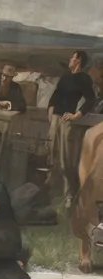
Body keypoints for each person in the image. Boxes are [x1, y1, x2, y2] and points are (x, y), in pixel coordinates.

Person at [48, 50, 96, 204]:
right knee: (52, 154)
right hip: (55, 118)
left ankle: (69, 193)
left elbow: (91, 99)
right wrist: (50, 110)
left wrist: (77, 115)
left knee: (66, 159)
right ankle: (53, 191)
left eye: (73, 58)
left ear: (78, 61)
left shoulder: (83, 78)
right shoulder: (65, 77)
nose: (70, 59)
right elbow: (56, 95)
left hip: (67, 120)